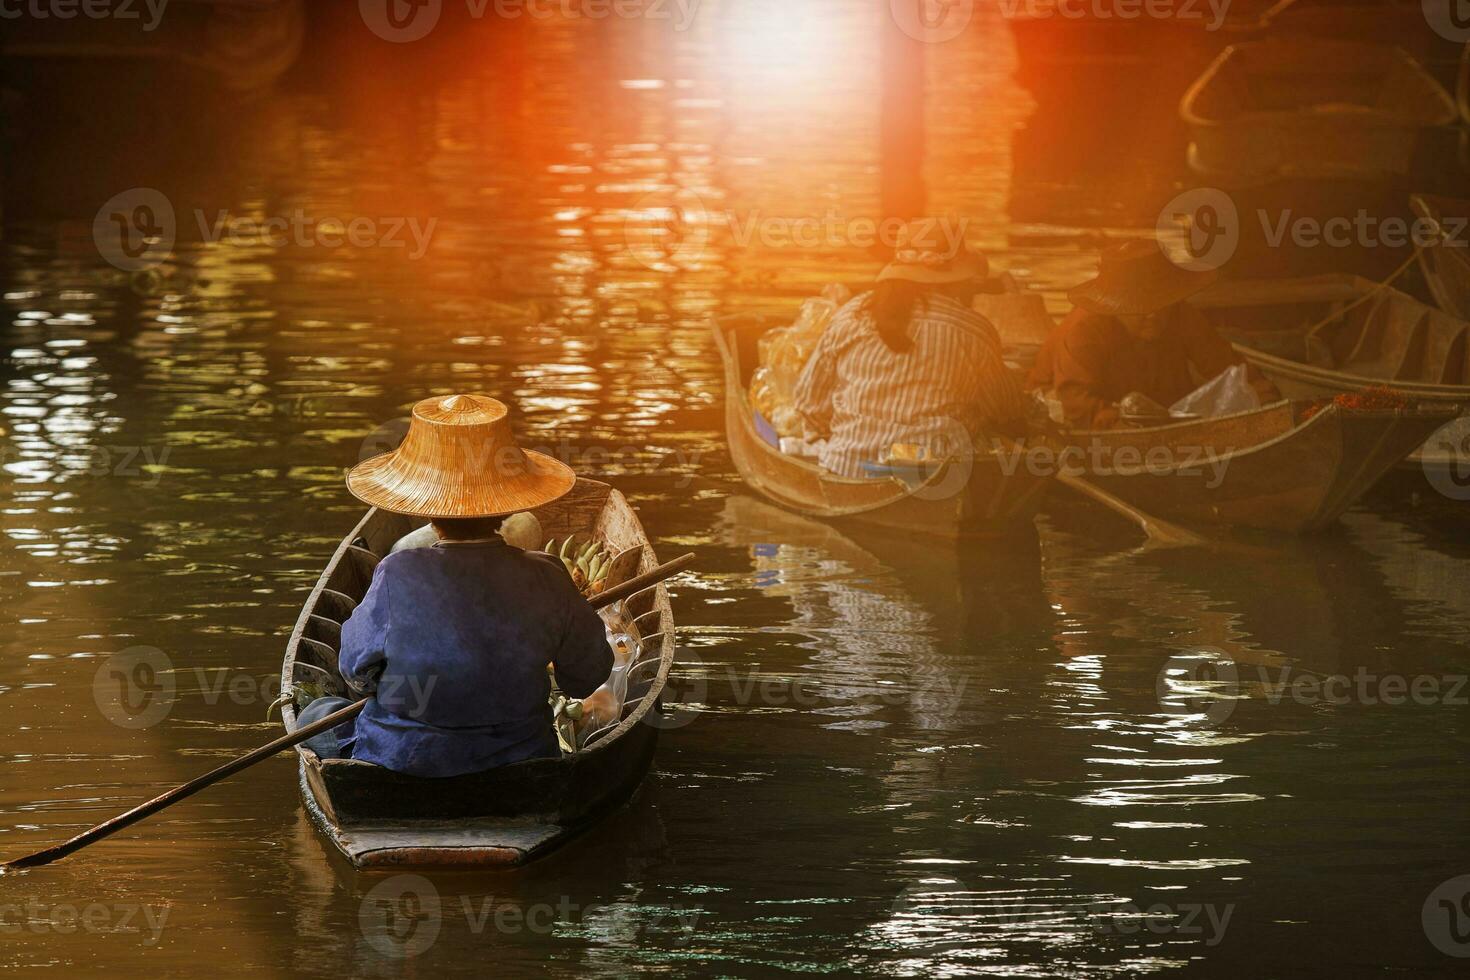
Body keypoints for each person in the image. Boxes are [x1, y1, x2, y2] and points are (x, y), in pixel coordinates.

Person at [293, 394, 613, 778]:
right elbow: (587, 675)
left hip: (404, 758)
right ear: (508, 509)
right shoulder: (547, 574)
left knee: (317, 714)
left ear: (427, 513)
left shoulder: (397, 571)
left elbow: (355, 671)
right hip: (519, 758)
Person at [790, 219, 1028, 478]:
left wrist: (844, 438)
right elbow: (1006, 411)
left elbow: (808, 403)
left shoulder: (851, 315)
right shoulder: (974, 330)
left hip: (848, 468)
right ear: (955, 279)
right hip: (938, 477)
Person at [1026, 240, 1279, 429]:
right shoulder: (1083, 330)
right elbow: (1075, 402)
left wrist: (1262, 394)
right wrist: (1122, 427)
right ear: (1115, 307)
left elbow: (1223, 362)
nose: (1153, 316)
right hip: (1077, 414)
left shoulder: (1181, 314)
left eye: (1160, 305)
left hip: (1153, 408)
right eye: (1140, 309)